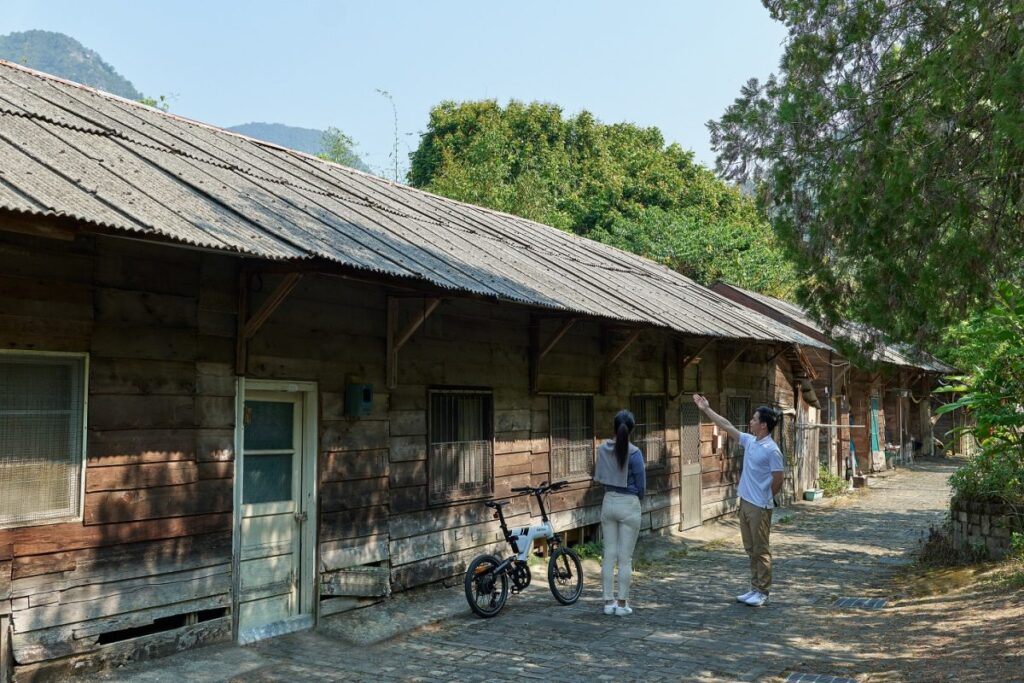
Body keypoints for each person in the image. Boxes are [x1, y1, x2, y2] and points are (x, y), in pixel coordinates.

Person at [692, 394, 783, 607]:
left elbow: (778, 479)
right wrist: (706, 409)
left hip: (760, 505)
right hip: (746, 502)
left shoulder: (772, 450)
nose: (750, 422)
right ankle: (754, 588)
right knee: (750, 548)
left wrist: (766, 497)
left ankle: (763, 591)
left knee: (761, 549)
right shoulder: (750, 441)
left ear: (763, 425)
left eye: (753, 419)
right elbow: (726, 425)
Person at [593, 409, 646, 616]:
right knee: (625, 558)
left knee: (609, 555)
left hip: (609, 501)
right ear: (631, 430)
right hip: (629, 503)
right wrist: (636, 497)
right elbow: (641, 485)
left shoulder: (602, 449)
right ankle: (622, 604)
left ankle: (608, 602)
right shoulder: (635, 453)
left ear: (614, 428)